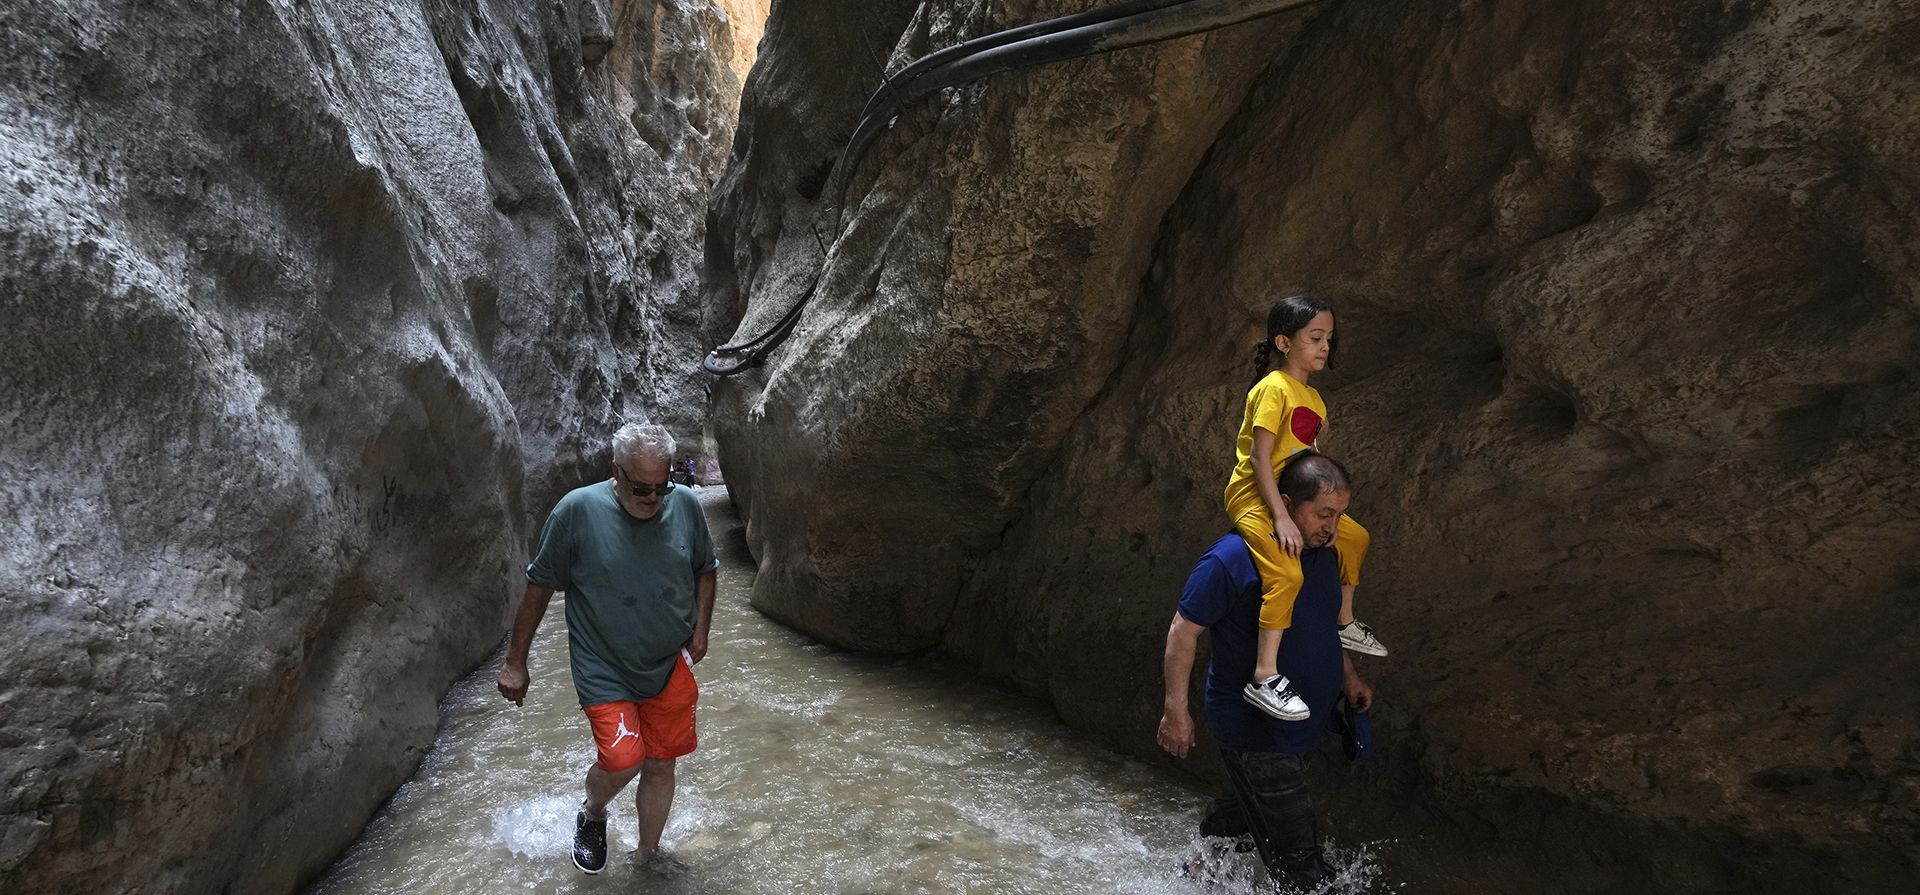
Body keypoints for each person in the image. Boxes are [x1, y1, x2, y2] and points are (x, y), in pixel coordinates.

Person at [496, 422, 718, 875]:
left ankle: (647, 858)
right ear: (615, 471)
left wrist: (701, 631)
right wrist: (515, 662)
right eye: (641, 488)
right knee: (624, 758)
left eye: (662, 487)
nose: (653, 499)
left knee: (660, 763)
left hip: (668, 659)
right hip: (604, 664)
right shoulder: (576, 511)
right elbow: (539, 586)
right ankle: (592, 812)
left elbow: (705, 568)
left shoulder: (687, 505)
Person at [1161, 452, 1377, 888]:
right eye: (1323, 514)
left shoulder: (1322, 553)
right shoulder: (1233, 557)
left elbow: (1322, 621)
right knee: (1303, 866)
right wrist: (1175, 712)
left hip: (1302, 725)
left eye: (1339, 516)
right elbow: (1183, 632)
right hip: (1259, 732)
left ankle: (1191, 881)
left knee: (1234, 823)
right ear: (1285, 503)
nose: (1332, 527)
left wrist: (1347, 675)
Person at [1224, 294, 1387, 723]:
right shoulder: (1272, 388)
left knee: (1355, 536)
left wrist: (1323, 510)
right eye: (1315, 338)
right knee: (1287, 571)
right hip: (1255, 495)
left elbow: (1309, 463)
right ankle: (1264, 677)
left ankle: (1345, 620)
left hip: (1294, 497)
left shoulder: (1313, 400)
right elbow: (1261, 458)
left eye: (1329, 339)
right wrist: (1280, 515)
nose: (1324, 347)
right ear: (1283, 342)